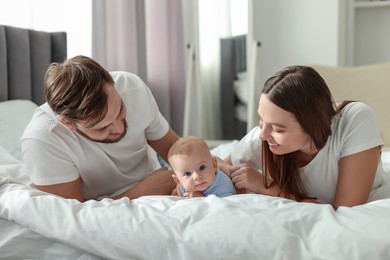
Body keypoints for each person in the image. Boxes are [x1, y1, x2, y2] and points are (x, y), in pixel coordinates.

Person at [222, 65, 386, 209]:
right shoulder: (262, 137)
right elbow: (218, 165)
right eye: (261, 120)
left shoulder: (355, 119)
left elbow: (346, 210)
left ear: (311, 125)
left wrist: (268, 187)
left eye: (278, 129)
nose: (263, 135)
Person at [21, 55, 179, 202]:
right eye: (101, 128)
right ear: (68, 124)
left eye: (120, 111)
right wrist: (143, 190)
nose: (118, 128)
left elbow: (173, 147)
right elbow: (74, 216)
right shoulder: (43, 139)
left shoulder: (132, 88)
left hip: (157, 183)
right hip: (126, 201)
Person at [167, 136, 236, 198]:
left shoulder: (224, 186)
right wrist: (177, 193)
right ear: (178, 180)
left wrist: (201, 199)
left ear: (214, 165)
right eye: (187, 174)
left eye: (202, 167)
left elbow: (223, 207)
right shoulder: (182, 185)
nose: (196, 176)